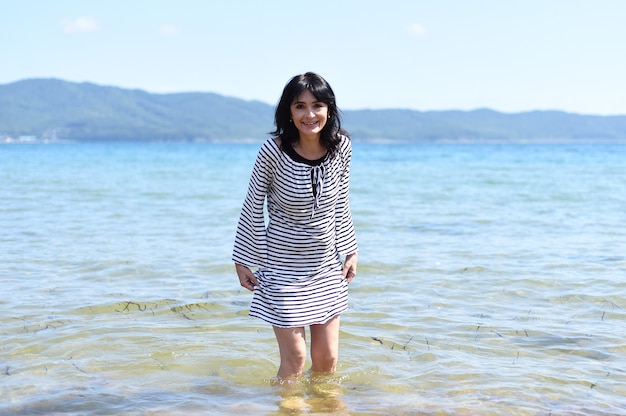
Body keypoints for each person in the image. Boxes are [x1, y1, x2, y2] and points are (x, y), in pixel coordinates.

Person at [232, 72, 358, 382]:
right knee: (296, 359)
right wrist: (242, 259)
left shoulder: (341, 147)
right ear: (288, 111)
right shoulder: (273, 151)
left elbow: (341, 202)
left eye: (317, 105)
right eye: (300, 106)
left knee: (327, 360)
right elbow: (253, 206)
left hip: (325, 266)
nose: (309, 114)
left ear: (329, 109)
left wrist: (351, 250)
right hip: (282, 269)